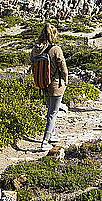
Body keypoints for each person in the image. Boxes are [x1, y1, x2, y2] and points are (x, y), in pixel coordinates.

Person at [31, 23, 68, 151]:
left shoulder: (35, 49)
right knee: (53, 113)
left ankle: (51, 135)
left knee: (50, 110)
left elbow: (32, 68)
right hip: (56, 85)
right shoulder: (56, 49)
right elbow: (63, 68)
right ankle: (45, 141)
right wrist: (66, 81)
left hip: (43, 84)